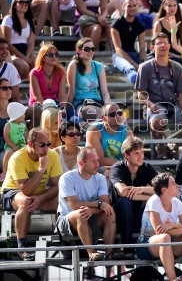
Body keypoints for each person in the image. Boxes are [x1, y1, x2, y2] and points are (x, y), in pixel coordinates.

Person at [57, 146, 134, 262]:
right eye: (93, 161)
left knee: (110, 213)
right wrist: (97, 204)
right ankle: (91, 253)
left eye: (98, 160)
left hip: (91, 216)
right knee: (80, 213)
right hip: (67, 219)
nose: (97, 164)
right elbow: (74, 205)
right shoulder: (67, 178)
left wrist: (93, 210)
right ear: (81, 163)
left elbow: (106, 204)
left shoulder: (100, 178)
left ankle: (109, 253)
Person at [135, 33, 182, 157]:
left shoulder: (177, 67)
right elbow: (141, 94)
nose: (162, 45)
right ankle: (160, 146)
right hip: (154, 105)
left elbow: (181, 93)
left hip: (174, 104)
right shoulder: (145, 67)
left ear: (169, 46)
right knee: (157, 122)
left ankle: (174, 143)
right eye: (159, 43)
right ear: (152, 47)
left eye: (165, 43)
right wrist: (150, 104)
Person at [0, 128, 62, 261]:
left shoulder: (53, 155)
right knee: (26, 201)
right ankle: (22, 247)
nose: (46, 148)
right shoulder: (17, 158)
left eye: (48, 144)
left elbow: (57, 186)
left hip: (38, 195)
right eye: (42, 145)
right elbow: (26, 190)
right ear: (30, 144)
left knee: (64, 201)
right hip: (12, 192)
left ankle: (68, 240)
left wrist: (40, 198)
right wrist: (41, 169)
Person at [108, 137, 157, 255]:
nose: (141, 157)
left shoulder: (146, 167)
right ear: (126, 155)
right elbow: (123, 192)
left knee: (156, 201)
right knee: (124, 202)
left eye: (142, 152)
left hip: (138, 214)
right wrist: (149, 193)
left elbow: (163, 189)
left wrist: (141, 189)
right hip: (118, 218)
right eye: (136, 153)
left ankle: (153, 247)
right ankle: (127, 249)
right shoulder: (117, 168)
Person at [67, 38, 110, 122]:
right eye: (87, 49)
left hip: (97, 102)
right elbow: (71, 92)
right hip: (81, 103)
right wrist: (67, 109)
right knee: (94, 112)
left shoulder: (99, 66)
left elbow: (105, 93)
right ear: (78, 50)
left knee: (117, 113)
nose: (90, 52)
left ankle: (129, 135)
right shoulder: (73, 65)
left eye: (92, 49)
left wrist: (107, 106)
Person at [110, 0, 147, 84]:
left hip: (133, 53)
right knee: (130, 70)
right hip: (119, 56)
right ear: (123, 7)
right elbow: (118, 49)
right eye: (129, 6)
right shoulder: (116, 25)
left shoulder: (140, 25)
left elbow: (142, 48)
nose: (132, 8)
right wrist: (134, 64)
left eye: (134, 6)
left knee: (147, 68)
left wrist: (142, 62)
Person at [86, 103, 133, 167]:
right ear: (104, 118)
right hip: (97, 168)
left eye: (119, 113)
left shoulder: (127, 132)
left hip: (121, 168)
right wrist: (124, 164)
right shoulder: (94, 130)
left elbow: (133, 155)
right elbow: (99, 160)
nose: (118, 116)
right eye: (112, 115)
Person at [1, 0, 34, 79]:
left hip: (27, 52)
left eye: (26, 2)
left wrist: (26, 56)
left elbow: (31, 44)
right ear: (15, 5)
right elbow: (7, 42)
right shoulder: (8, 19)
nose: (24, 4)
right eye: (21, 2)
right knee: (23, 66)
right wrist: (23, 57)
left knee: (42, 62)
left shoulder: (30, 21)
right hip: (12, 52)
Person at [153, 0, 182, 66]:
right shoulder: (159, 23)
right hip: (164, 55)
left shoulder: (179, 22)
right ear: (164, 7)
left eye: (174, 5)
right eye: (169, 6)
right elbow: (156, 46)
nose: (172, 8)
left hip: (178, 55)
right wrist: (176, 56)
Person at [2, 102, 27, 179]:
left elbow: (25, 134)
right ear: (17, 116)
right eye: (22, 114)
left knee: (26, 155)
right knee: (8, 153)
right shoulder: (9, 125)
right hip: (10, 145)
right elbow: (5, 136)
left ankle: (24, 172)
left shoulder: (23, 124)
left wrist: (27, 144)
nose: (24, 115)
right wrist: (13, 146)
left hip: (22, 145)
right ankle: (4, 172)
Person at [0, 38, 22, 102]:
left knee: (35, 110)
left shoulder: (11, 68)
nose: (5, 52)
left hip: (6, 107)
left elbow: (16, 97)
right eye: (1, 49)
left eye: (7, 49)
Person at [0, 79, 14, 180]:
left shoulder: (16, 109)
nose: (8, 90)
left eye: (10, 87)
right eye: (4, 88)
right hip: (3, 150)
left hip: (18, 146)